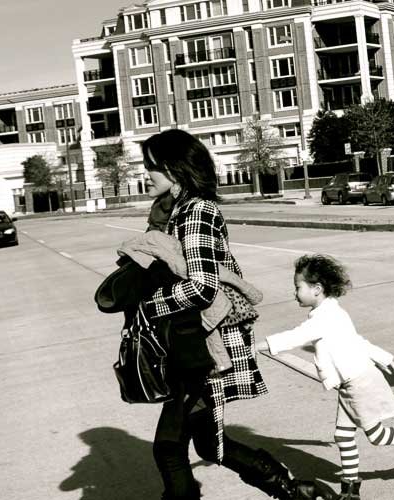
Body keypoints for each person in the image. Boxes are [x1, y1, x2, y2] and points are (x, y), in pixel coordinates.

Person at [137, 129, 333, 500]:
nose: (147, 173)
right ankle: (297, 492)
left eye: (152, 166)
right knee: (210, 445)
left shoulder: (196, 211)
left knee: (169, 448)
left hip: (203, 347)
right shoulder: (177, 210)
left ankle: (295, 491)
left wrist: (152, 305)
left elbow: (201, 287)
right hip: (191, 343)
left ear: (175, 169)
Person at [260, 254, 394, 499]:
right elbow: (356, 340)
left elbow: (294, 337)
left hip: (360, 382)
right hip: (350, 384)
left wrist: (259, 345)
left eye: (298, 287)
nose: (294, 292)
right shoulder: (331, 312)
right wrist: (384, 358)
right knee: (343, 435)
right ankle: (350, 490)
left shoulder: (324, 317)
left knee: (377, 435)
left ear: (316, 289)